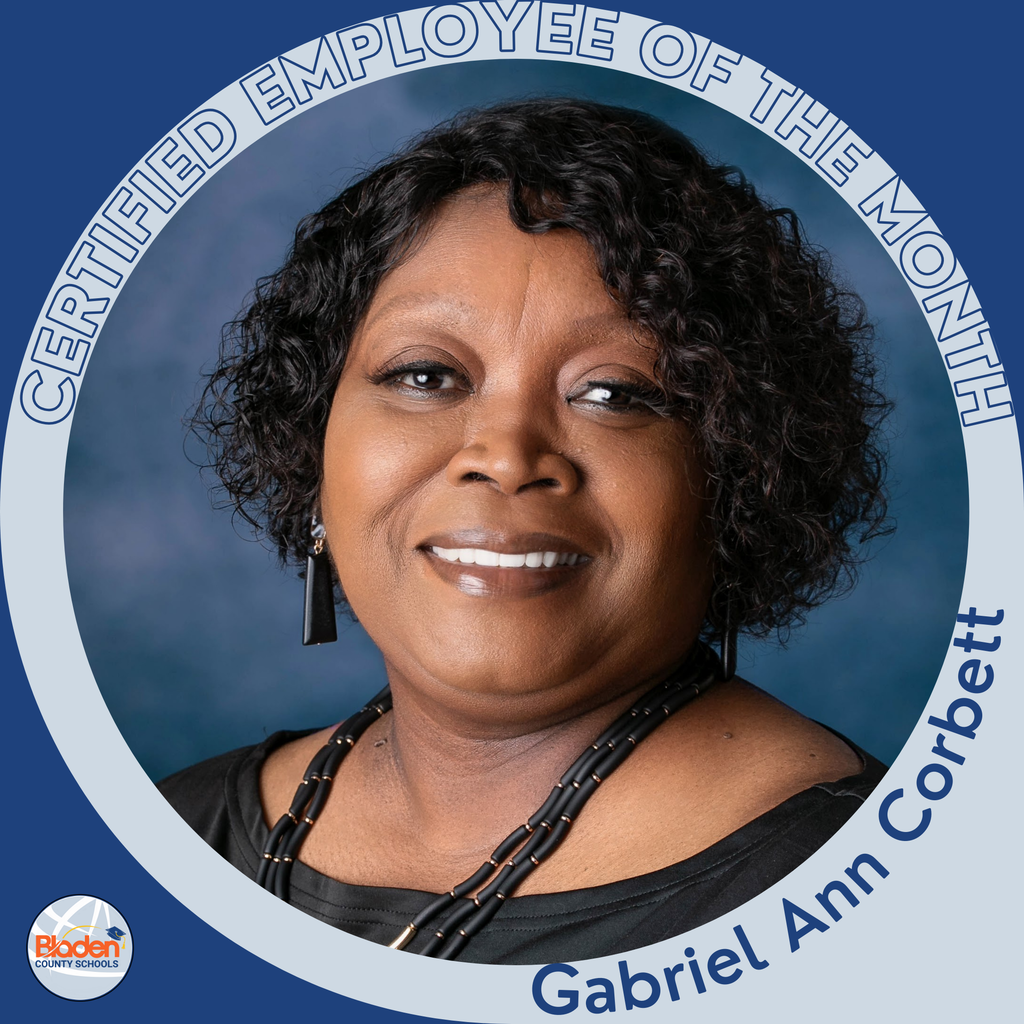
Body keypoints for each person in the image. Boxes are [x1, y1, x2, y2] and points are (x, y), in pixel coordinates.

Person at [159, 98, 890, 965]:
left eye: (613, 393)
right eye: (426, 375)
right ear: (313, 444)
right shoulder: (176, 832)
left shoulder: (873, 898)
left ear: (737, 476)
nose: (506, 457)